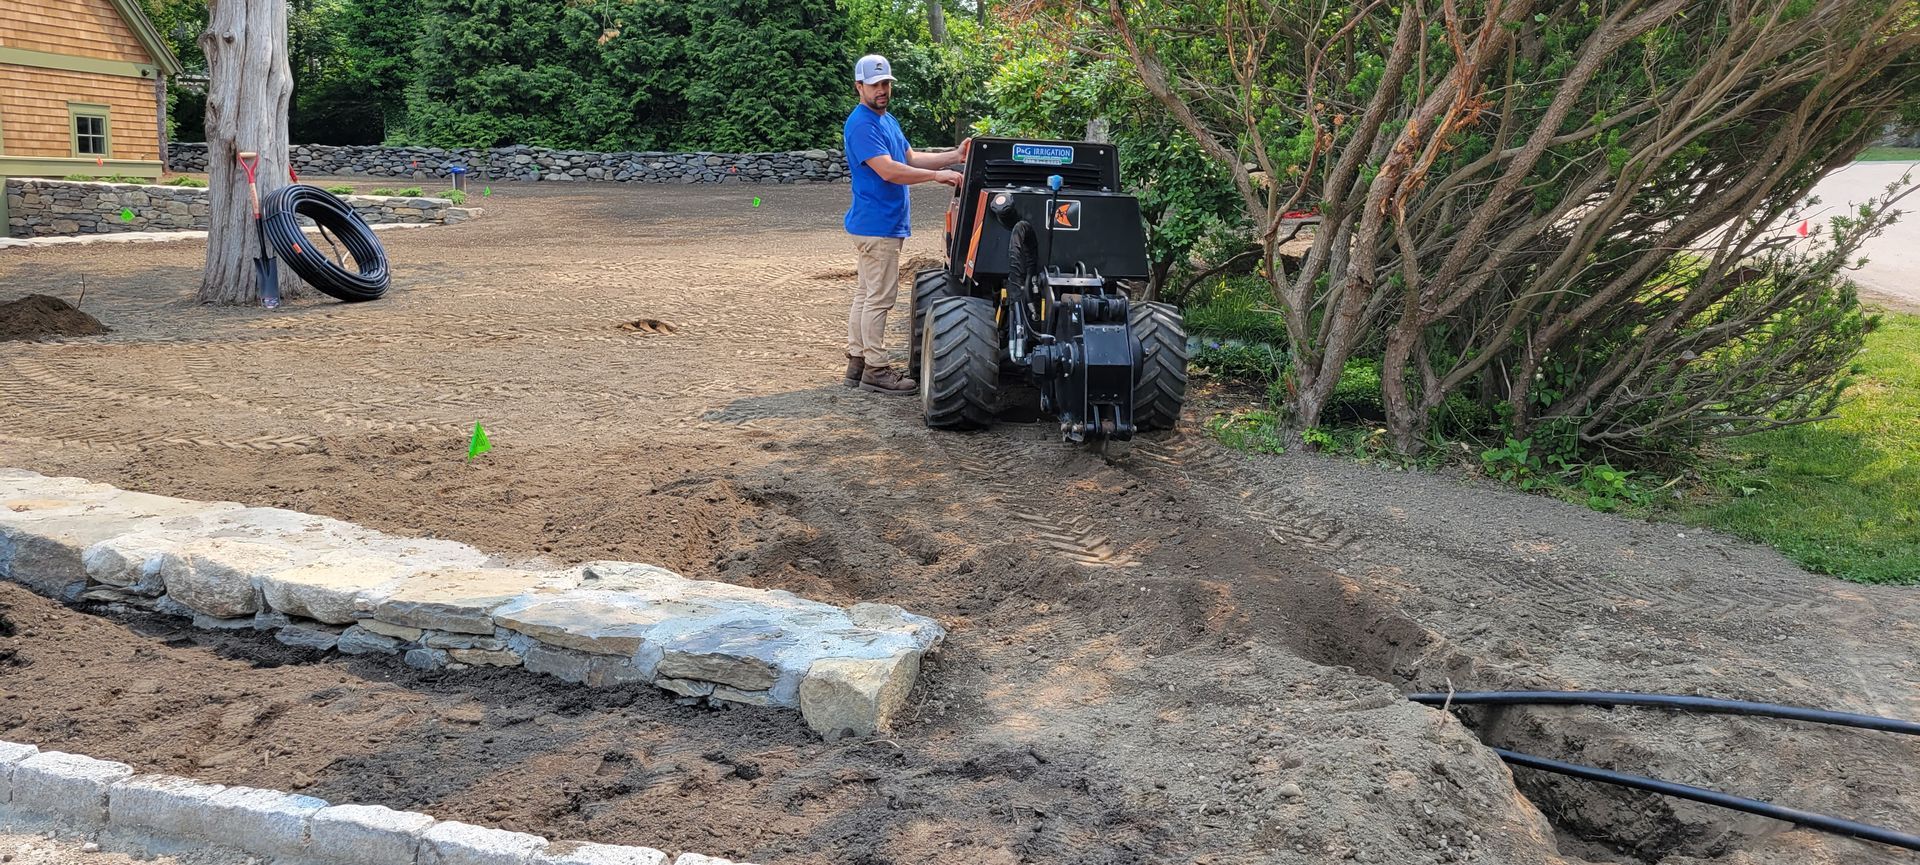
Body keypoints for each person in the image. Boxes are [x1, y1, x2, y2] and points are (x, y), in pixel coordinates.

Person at [841, 53, 969, 394]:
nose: (883, 90)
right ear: (859, 86)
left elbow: (909, 158)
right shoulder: (862, 125)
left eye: (886, 84)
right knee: (880, 298)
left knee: (866, 294)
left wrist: (954, 156)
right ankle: (876, 369)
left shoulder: (886, 120)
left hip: (877, 223)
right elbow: (889, 170)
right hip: (877, 225)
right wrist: (936, 177)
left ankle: (857, 361)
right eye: (875, 85)